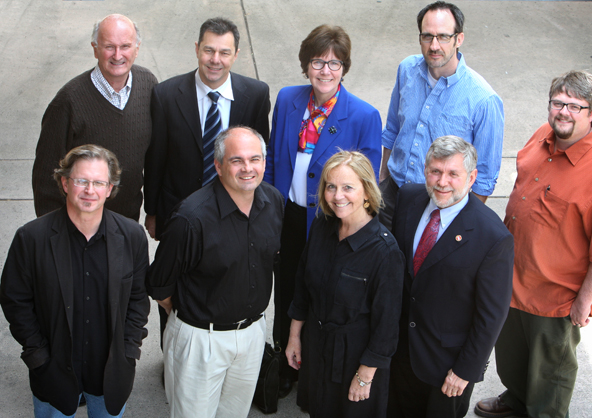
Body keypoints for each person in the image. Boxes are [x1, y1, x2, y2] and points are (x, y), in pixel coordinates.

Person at [474, 71, 592, 418]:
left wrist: (583, 302)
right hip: (513, 283)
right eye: (558, 103)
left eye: (574, 106)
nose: (563, 112)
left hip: (555, 299)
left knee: (550, 378)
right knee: (513, 359)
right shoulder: (543, 135)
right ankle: (517, 399)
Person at [265, 24, 382, 396]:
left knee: (321, 295)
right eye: (318, 62)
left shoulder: (364, 116)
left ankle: (314, 371)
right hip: (289, 216)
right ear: (306, 65)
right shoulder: (287, 100)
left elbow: (367, 184)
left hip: (331, 223)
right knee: (286, 291)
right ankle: (286, 365)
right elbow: (271, 161)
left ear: (345, 68)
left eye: (335, 63)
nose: (326, 71)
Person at [1, 145, 150, 417]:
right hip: (52, 371)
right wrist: (38, 357)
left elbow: (138, 299)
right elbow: (15, 301)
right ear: (65, 183)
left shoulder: (132, 236)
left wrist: (129, 351)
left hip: (110, 373)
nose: (89, 190)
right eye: (81, 181)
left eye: (98, 182)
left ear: (110, 188)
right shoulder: (31, 238)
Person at [146, 126, 283, 418]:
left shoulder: (273, 202)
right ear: (218, 165)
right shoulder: (190, 218)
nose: (248, 168)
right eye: (237, 160)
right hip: (200, 340)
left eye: (255, 159)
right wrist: (189, 319)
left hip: (252, 334)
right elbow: (159, 284)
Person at [388, 136, 514, 418]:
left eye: (452, 174)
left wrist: (465, 370)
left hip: (446, 369)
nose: (442, 181)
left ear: (471, 178)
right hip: (398, 354)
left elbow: (491, 316)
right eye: (435, 171)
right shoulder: (408, 197)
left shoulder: (493, 238)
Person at [285, 151, 403, 418]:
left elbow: (386, 326)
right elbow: (303, 288)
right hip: (316, 348)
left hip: (356, 359)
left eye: (348, 187)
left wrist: (365, 375)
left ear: (366, 191)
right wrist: (294, 337)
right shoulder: (322, 226)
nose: (338, 196)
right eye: (331, 187)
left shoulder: (386, 252)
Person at [379, 1, 504, 229]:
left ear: (459, 39)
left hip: (438, 209)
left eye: (443, 37)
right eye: (427, 36)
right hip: (391, 196)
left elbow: (484, 176)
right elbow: (393, 130)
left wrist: (460, 223)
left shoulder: (484, 100)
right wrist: (383, 180)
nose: (434, 45)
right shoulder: (406, 70)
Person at [144, 17, 271, 241]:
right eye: (208, 50)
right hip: (179, 212)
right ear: (197, 49)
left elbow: (261, 159)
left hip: (235, 211)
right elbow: (156, 159)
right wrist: (152, 212)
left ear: (236, 54)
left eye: (224, 52)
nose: (215, 60)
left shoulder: (256, 95)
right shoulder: (165, 95)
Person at [32, 14, 157, 221]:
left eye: (125, 46)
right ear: (95, 48)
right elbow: (46, 177)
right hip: (78, 225)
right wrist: (55, 233)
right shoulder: (67, 102)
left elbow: (155, 157)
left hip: (126, 222)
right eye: (109, 46)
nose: (117, 55)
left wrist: (153, 210)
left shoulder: (148, 84)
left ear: (137, 48)